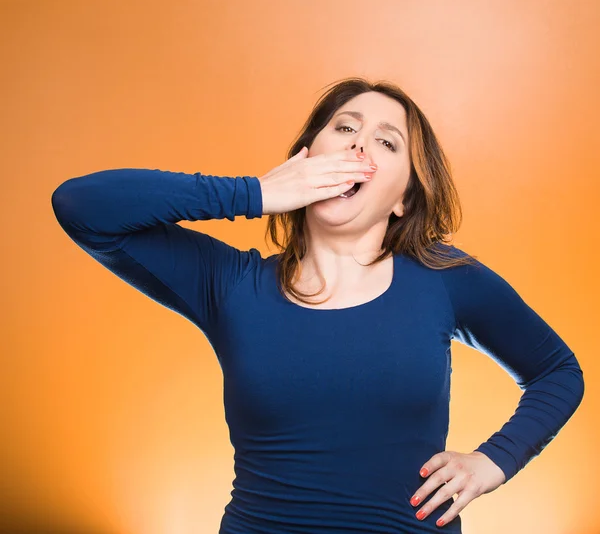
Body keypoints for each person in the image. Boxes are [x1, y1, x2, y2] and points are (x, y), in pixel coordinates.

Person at [51, 77, 585, 533]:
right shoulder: (232, 284)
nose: (359, 147)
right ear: (306, 158)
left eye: (387, 143)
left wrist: (496, 460)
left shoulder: (445, 278)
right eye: (345, 128)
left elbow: (559, 372)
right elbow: (81, 205)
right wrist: (253, 192)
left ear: (403, 199)